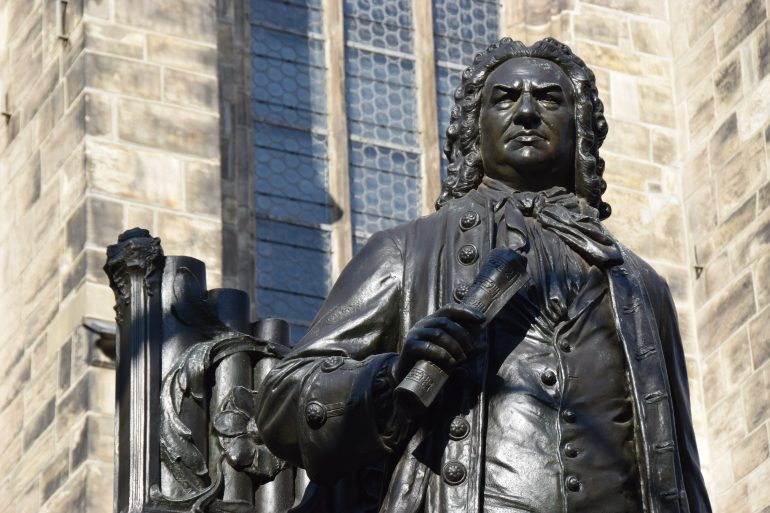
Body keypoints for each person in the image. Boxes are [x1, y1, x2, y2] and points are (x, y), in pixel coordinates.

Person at [256, 37, 712, 513]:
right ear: (475, 129)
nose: (528, 112)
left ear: (581, 129)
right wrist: (390, 377)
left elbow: (681, 463)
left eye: (549, 98)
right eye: (506, 97)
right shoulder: (408, 250)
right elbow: (285, 398)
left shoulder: (640, 284)